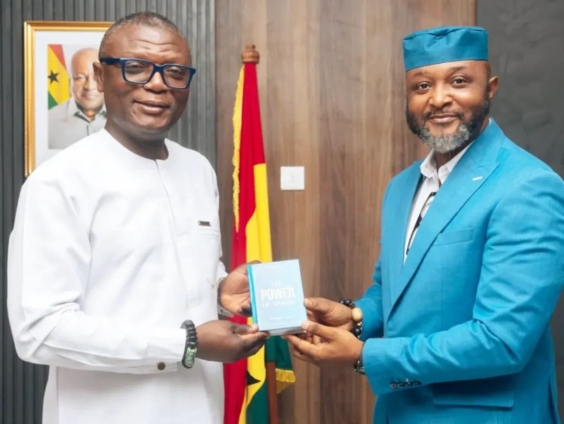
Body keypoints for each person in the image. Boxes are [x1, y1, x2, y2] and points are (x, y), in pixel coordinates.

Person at [285, 26, 564, 424]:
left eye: (459, 81)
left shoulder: (527, 186)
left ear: (490, 88)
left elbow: (503, 341)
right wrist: (357, 318)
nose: (438, 99)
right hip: (400, 412)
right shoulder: (401, 187)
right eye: (421, 86)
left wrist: (365, 356)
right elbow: (393, 289)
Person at [8, 12, 267, 424]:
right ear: (101, 75)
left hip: (199, 409)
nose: (158, 84)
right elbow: (40, 331)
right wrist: (185, 343)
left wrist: (219, 293)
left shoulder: (198, 169)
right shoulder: (60, 182)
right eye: (136, 67)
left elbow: (170, 280)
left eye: (175, 72)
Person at [48, 47, 106, 149]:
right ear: (70, 82)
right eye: (80, 78)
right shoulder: (49, 121)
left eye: (97, 78)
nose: (89, 86)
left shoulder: (126, 119)